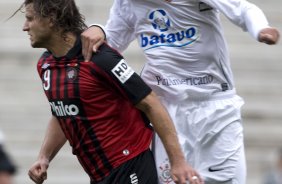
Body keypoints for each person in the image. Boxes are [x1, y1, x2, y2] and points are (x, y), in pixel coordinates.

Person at [81, 0, 280, 183]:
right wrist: (101, 31)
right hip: (166, 113)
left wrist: (261, 29)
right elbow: (114, 40)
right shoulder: (130, 2)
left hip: (217, 109)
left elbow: (243, 9)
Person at [20, 0, 203, 183]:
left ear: (51, 19)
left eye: (29, 19)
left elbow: (151, 103)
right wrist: (44, 157)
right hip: (99, 175)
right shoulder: (46, 66)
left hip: (130, 167)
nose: (24, 27)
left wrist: (178, 162)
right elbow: (63, 111)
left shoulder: (100, 58)